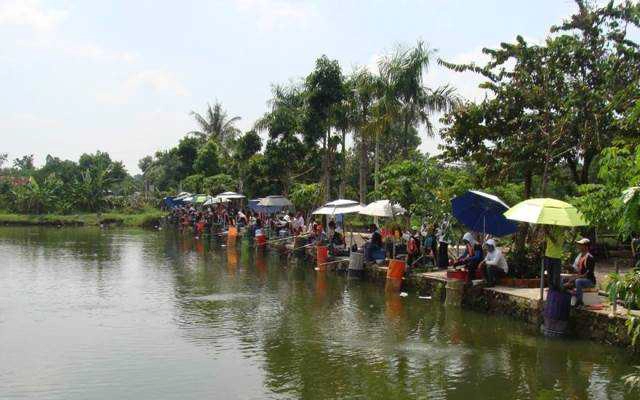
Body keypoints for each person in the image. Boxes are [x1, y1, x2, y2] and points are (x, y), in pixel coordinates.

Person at [564, 238, 596, 306]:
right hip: (581, 278)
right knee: (564, 280)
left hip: (589, 281)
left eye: (581, 245)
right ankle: (567, 300)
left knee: (578, 281)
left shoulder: (590, 258)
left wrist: (575, 278)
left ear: (586, 247)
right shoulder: (579, 256)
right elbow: (575, 269)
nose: (579, 246)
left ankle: (579, 301)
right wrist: (568, 267)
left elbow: (587, 274)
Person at [544, 226, 564, 290]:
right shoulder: (551, 229)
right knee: (549, 276)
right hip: (548, 255)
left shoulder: (561, 231)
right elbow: (547, 242)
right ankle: (551, 291)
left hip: (556, 257)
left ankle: (556, 292)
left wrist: (548, 234)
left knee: (556, 277)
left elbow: (556, 243)